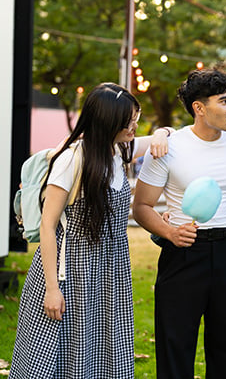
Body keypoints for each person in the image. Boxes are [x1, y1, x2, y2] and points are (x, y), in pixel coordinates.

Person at [10, 83, 170, 378]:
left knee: (103, 353)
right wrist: (52, 289)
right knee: (58, 356)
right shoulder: (73, 159)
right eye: (130, 120)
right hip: (70, 270)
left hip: (109, 271)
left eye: (136, 117)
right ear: (109, 122)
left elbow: (164, 135)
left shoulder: (120, 149)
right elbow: (48, 225)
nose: (135, 125)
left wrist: (162, 133)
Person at [132, 68, 226, 379]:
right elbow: (142, 206)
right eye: (224, 101)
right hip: (182, 254)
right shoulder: (169, 148)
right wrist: (170, 232)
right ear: (199, 108)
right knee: (175, 346)